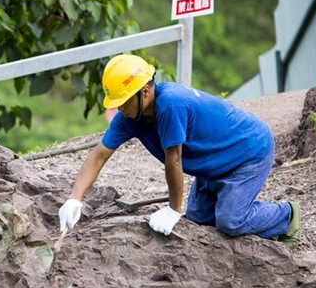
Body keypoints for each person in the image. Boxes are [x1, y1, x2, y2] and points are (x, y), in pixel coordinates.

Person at [58, 53, 302, 246]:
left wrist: (174, 210)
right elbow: (98, 156)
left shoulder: (171, 105)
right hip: (214, 164)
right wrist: (74, 199)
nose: (119, 109)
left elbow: (173, 159)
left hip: (248, 152)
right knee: (198, 219)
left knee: (230, 221)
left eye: (123, 102)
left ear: (144, 91)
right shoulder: (130, 116)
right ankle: (232, 199)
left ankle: (286, 216)